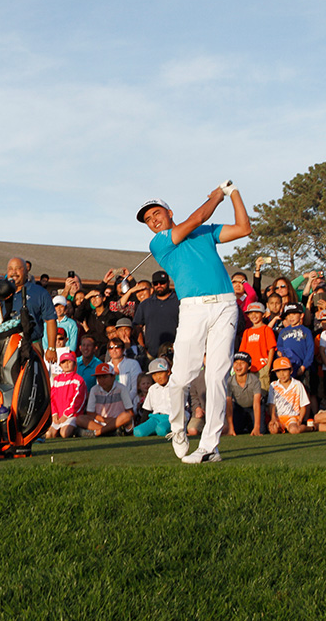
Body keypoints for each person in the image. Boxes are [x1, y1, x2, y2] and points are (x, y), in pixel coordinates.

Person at [137, 183, 251, 462]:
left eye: (156, 213)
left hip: (225, 305)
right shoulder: (159, 242)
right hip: (192, 309)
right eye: (148, 219)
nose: (153, 220)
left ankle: (210, 447)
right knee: (180, 380)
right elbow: (197, 218)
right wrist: (217, 196)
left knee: (216, 376)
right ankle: (178, 429)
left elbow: (243, 228)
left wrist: (234, 192)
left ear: (169, 212)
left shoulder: (203, 232)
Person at [6, 257, 58, 363]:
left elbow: (50, 320)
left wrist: (51, 348)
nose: (14, 272)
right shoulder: (1, 291)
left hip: (32, 344)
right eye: (11, 269)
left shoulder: (40, 292)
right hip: (6, 344)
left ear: (26, 271)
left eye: (18, 268)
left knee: (32, 377)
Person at [132, 270, 180, 362]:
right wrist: (143, 347)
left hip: (176, 353)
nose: (159, 285)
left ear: (168, 283)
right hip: (151, 354)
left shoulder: (178, 301)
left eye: (162, 283)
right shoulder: (145, 304)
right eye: (156, 283)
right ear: (152, 285)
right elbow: (137, 327)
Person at [76, 362, 134, 436]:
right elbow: (90, 413)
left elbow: (130, 412)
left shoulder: (121, 388)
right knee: (79, 419)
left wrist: (113, 421)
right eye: (99, 377)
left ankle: (99, 432)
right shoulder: (94, 389)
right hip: (100, 421)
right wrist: (105, 419)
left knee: (127, 416)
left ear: (113, 377)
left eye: (105, 377)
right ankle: (110, 432)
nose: (102, 380)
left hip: (118, 421)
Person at [46, 351, 87, 439]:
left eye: (69, 362)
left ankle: (79, 430)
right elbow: (52, 398)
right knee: (49, 434)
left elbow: (78, 401)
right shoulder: (57, 380)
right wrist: (54, 414)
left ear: (74, 364)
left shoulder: (79, 380)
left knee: (64, 433)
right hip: (58, 415)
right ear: (60, 365)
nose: (66, 364)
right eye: (64, 362)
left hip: (72, 415)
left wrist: (66, 415)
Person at [238, 302, 276, 394]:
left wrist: (268, 366)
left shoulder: (266, 329)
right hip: (249, 368)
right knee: (249, 393)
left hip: (262, 366)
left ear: (263, 314)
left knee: (262, 393)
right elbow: (242, 352)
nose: (253, 316)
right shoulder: (247, 332)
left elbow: (271, 349)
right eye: (251, 313)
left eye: (257, 312)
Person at [267, 357, 311, 434]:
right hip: (278, 417)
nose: (281, 374)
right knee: (273, 430)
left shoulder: (297, 384)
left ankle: (310, 428)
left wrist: (300, 420)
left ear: (291, 371)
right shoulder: (273, 385)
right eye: (278, 371)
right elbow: (272, 404)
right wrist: (273, 418)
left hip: (292, 417)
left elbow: (303, 406)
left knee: (294, 430)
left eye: (284, 370)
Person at [226, 352, 264, 436]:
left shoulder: (255, 380)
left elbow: (256, 404)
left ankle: (252, 425)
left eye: (242, 363)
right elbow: (229, 404)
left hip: (252, 407)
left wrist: (257, 427)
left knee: (261, 429)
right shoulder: (229, 381)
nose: (238, 365)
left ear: (249, 366)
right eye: (236, 362)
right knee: (236, 430)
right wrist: (230, 427)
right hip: (239, 408)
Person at [133, 358, 173, 437]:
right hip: (155, 418)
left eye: (160, 373)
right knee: (138, 431)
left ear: (168, 372)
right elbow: (147, 409)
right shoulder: (152, 389)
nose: (158, 377)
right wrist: (143, 425)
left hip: (170, 418)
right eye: (154, 375)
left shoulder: (175, 387)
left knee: (162, 430)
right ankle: (153, 429)